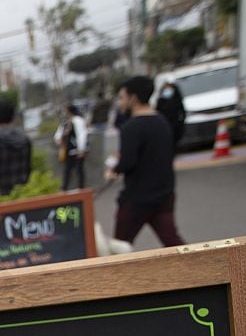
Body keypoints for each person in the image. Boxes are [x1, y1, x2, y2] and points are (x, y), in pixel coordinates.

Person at [107, 76, 185, 248]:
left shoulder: (130, 128)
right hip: (164, 195)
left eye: (122, 97)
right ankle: (198, 269)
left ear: (133, 98)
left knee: (119, 247)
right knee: (173, 242)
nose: (120, 102)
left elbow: (128, 162)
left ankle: (121, 276)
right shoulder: (162, 121)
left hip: (136, 199)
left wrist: (114, 169)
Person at [54, 104, 89, 190]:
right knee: (69, 170)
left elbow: (82, 135)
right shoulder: (66, 122)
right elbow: (58, 135)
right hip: (69, 150)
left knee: (77, 170)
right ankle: (66, 188)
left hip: (76, 150)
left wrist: (81, 149)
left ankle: (78, 188)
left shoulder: (77, 121)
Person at [155, 81, 186, 152]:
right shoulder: (160, 101)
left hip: (176, 125)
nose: (167, 91)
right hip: (165, 125)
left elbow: (182, 111)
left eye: (169, 89)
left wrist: (181, 121)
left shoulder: (177, 100)